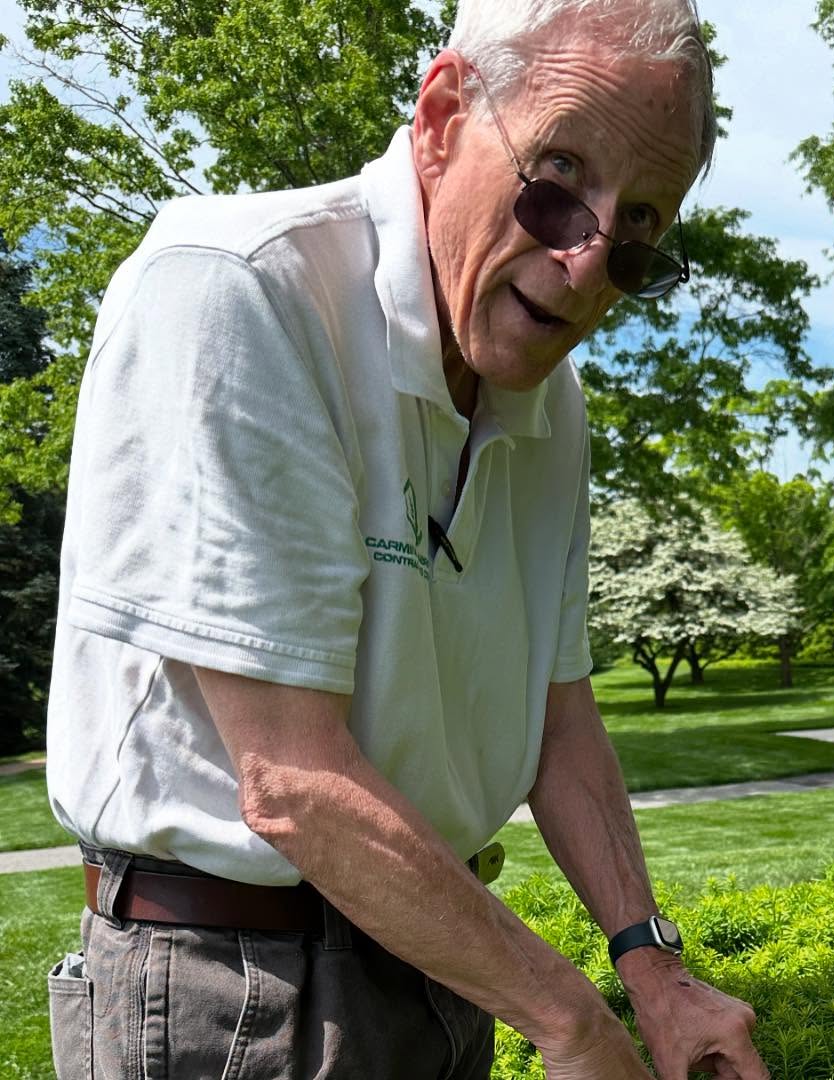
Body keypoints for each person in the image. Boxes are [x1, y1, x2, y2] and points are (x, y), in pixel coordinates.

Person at [43, 1, 769, 1077]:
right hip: (231, 989)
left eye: (639, 240)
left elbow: (558, 722)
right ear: (441, 116)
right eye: (560, 182)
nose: (582, 271)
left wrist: (652, 971)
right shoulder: (240, 289)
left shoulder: (550, 404)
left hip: (444, 958)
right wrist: (569, 1020)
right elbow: (287, 778)